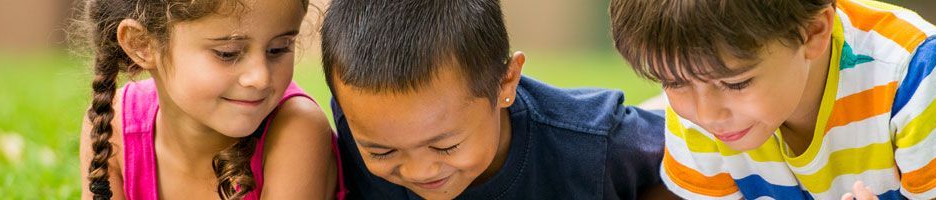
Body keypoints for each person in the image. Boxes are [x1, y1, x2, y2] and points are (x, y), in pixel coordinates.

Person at [609, 0, 936, 199]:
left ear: (814, 32)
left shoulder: (913, 64)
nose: (704, 114)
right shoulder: (700, 94)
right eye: (674, 84)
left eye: (737, 83)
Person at [320, 0, 670, 199]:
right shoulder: (356, 126)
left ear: (506, 81)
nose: (419, 171)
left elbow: (698, 157)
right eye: (382, 151)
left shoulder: (591, 144)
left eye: (445, 146)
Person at [75, 0, 344, 199]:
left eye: (278, 49)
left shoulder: (297, 130)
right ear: (141, 44)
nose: (261, 78)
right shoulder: (112, 127)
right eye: (228, 53)